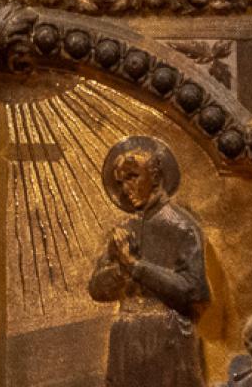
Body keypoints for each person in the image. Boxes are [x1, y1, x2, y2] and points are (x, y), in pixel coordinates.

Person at [88, 135, 209, 387]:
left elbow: (194, 291)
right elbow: (96, 290)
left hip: (167, 333)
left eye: (133, 177)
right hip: (127, 335)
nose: (125, 189)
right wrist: (120, 269)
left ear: (155, 176)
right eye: (121, 182)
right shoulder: (124, 229)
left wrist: (136, 267)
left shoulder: (180, 226)